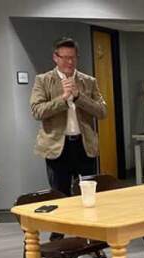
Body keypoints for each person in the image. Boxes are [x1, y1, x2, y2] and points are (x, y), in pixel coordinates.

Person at [30, 38, 107, 199]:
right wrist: (63, 99)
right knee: (60, 195)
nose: (69, 61)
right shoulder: (43, 80)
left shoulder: (88, 81)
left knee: (89, 193)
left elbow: (102, 111)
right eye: (64, 57)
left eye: (73, 57)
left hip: (84, 146)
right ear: (55, 57)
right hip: (57, 147)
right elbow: (37, 111)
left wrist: (79, 96)